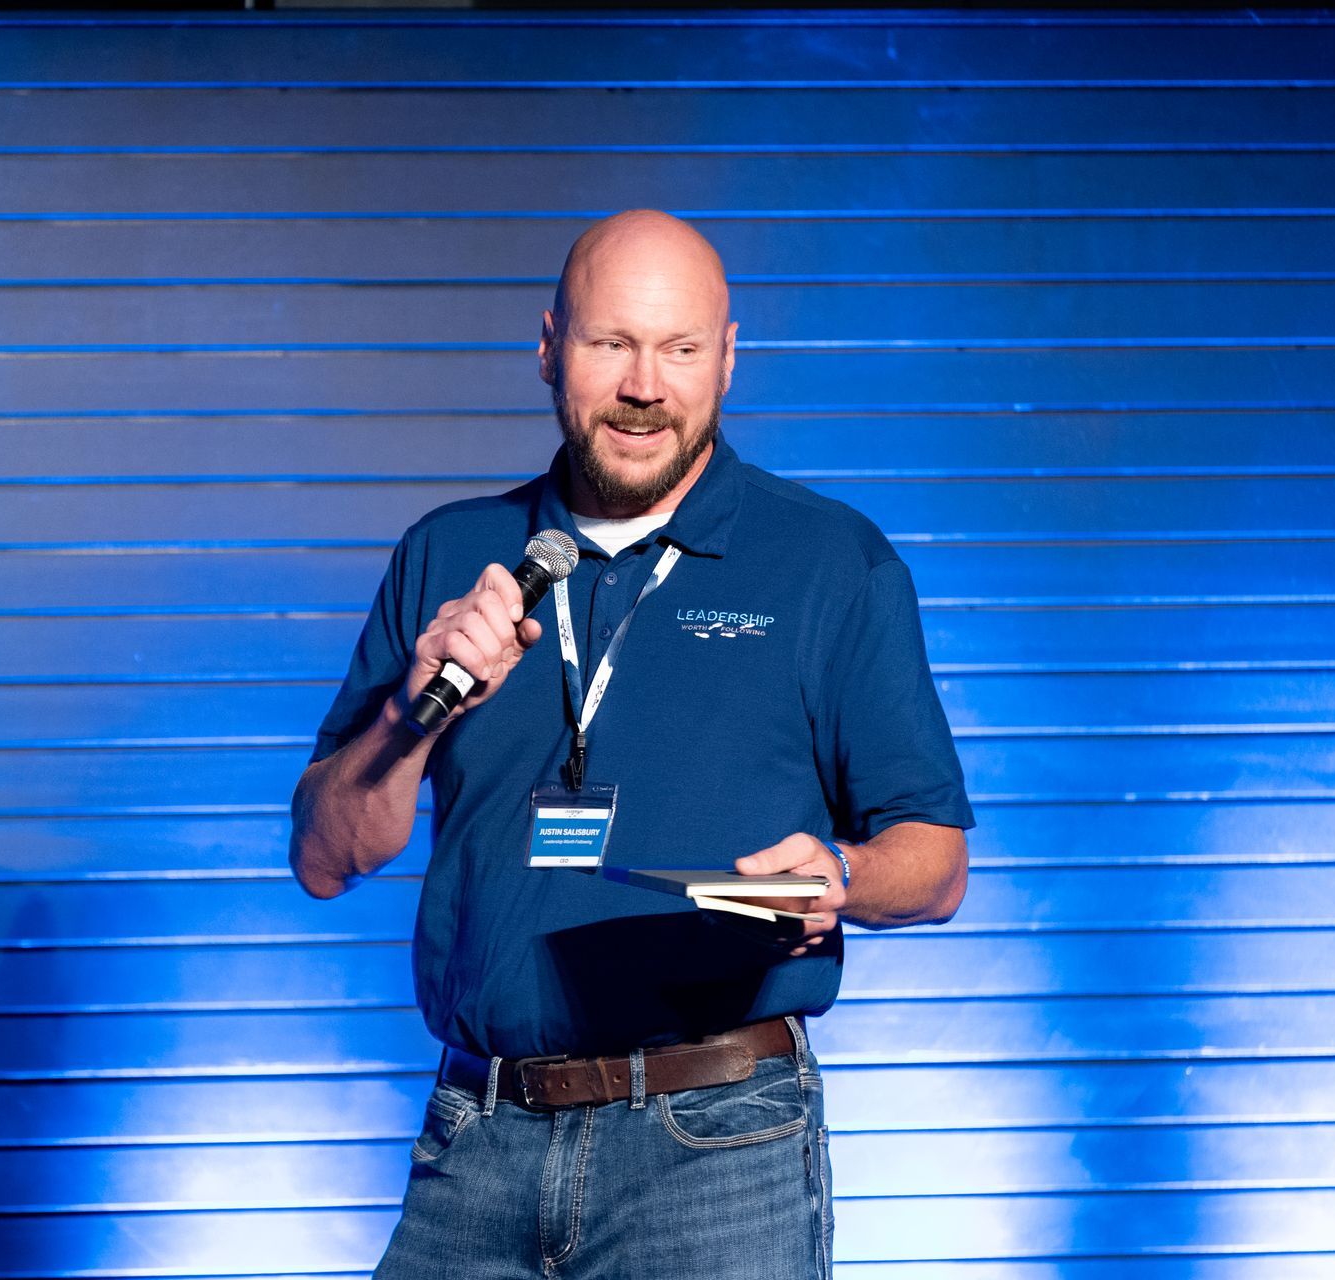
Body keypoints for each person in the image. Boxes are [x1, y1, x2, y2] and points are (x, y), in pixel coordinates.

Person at [290, 209, 973, 1279]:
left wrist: (839, 874)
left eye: (680, 348)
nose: (645, 384)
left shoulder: (829, 560)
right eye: (612, 344)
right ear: (551, 344)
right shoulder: (451, 552)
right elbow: (328, 857)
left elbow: (936, 861)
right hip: (479, 1129)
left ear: (728, 358)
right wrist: (407, 710)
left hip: (717, 1146)